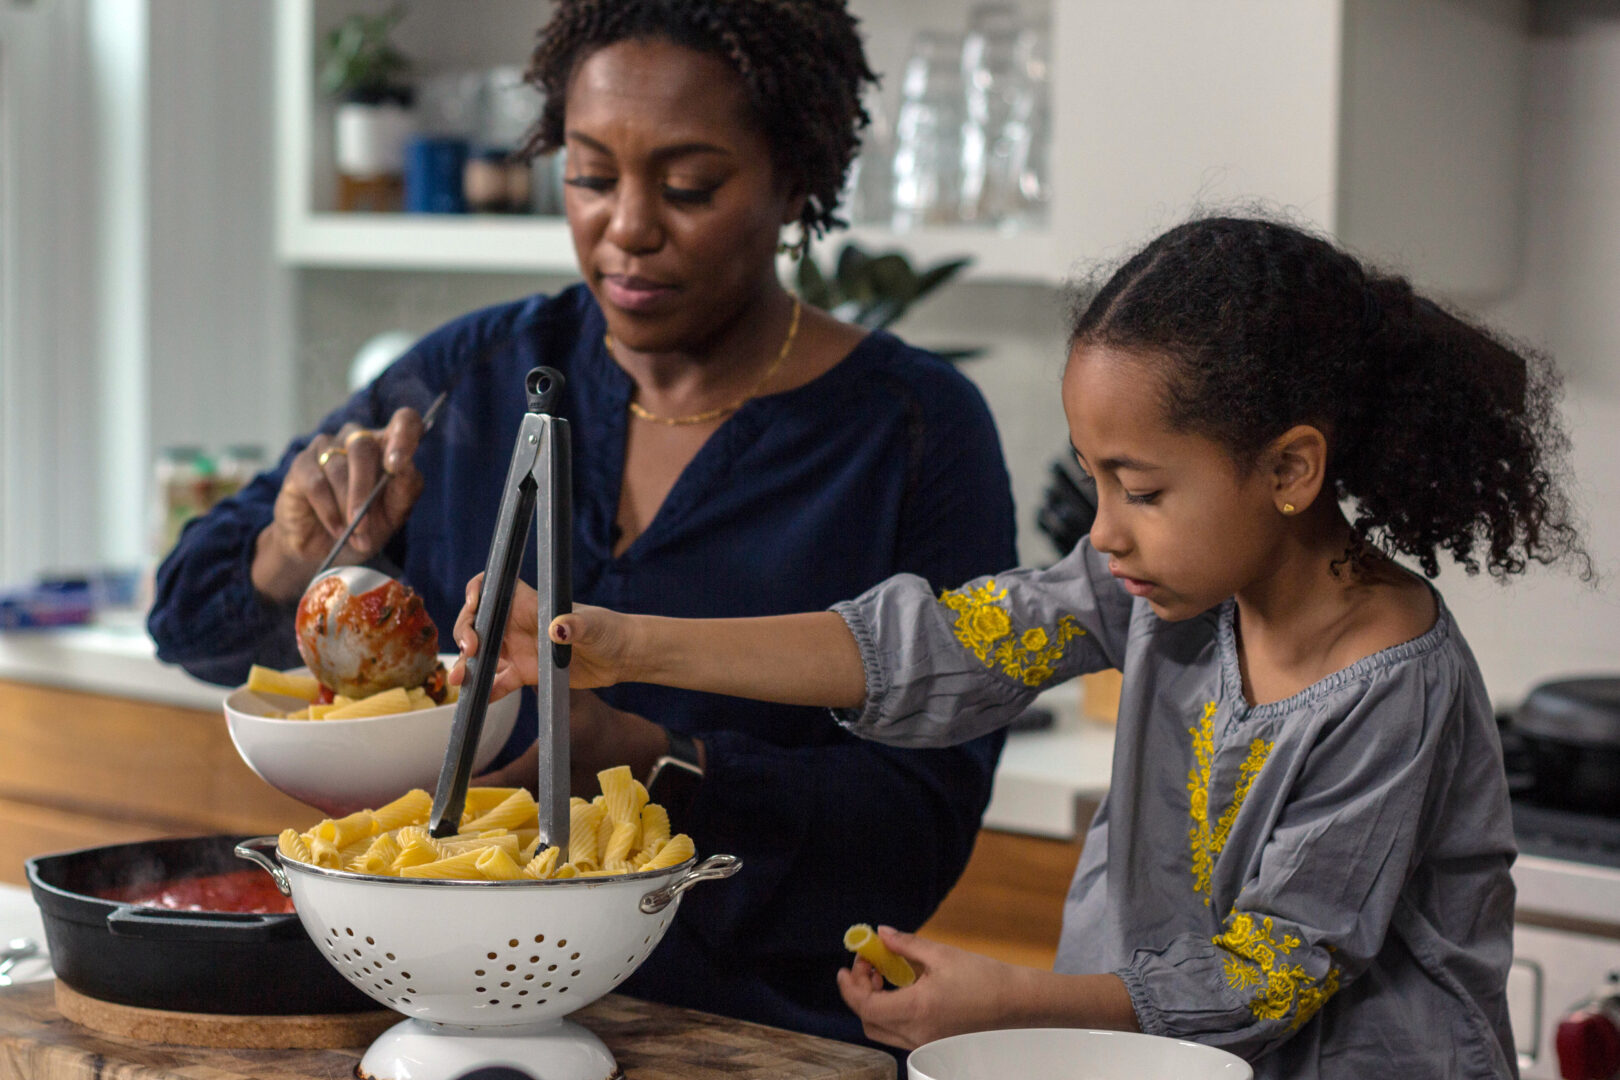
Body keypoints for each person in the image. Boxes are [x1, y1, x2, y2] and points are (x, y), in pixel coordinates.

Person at [452, 216, 1591, 1079]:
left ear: (1291, 470)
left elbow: (1267, 977)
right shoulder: (1157, 586)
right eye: (1095, 481)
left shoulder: (1394, 683)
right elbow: (931, 646)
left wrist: (1013, 1000)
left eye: (1139, 488)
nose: (1103, 530)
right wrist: (623, 645)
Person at [147, 0, 1017, 1051]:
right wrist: (295, 544)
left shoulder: (912, 433)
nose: (628, 226)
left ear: (794, 179)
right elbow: (189, 625)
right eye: (592, 176)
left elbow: (910, 837)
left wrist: (643, 757)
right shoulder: (473, 379)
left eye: (688, 186)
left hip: (743, 1037)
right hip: (430, 1017)